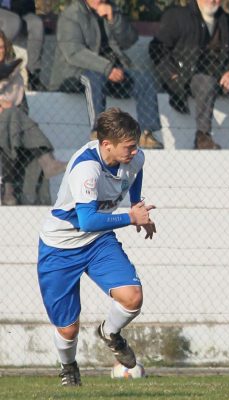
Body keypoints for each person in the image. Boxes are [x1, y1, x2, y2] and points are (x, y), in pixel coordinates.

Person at [37, 108, 157, 386]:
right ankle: (69, 368)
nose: (134, 151)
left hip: (97, 242)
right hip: (60, 246)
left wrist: (137, 204)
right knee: (68, 329)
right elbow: (88, 220)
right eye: (128, 146)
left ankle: (110, 333)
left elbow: (136, 171)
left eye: (135, 144)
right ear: (106, 145)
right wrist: (130, 217)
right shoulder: (86, 169)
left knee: (132, 298)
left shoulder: (134, 157)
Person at [49, 0, 164, 149]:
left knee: (144, 80)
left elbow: (130, 40)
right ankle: (98, 131)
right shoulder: (71, 15)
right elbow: (74, 52)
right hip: (74, 73)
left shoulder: (111, 9)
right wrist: (106, 68)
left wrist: (113, 19)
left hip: (109, 72)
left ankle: (146, 134)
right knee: (94, 78)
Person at [150, 0, 229, 150]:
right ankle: (202, 136)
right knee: (206, 81)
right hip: (187, 77)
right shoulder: (178, 16)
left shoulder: (227, 20)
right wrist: (173, 75)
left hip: (222, 76)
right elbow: (157, 48)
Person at [0, 29, 65, 205]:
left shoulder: (16, 77)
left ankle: (8, 191)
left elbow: (24, 112)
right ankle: (47, 159)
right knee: (11, 117)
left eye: (1, 47)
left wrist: (8, 109)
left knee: (11, 119)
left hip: (9, 129)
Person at [0, 0, 44, 89]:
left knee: (36, 24)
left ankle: (33, 74)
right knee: (13, 21)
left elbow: (28, 7)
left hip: (18, 15)